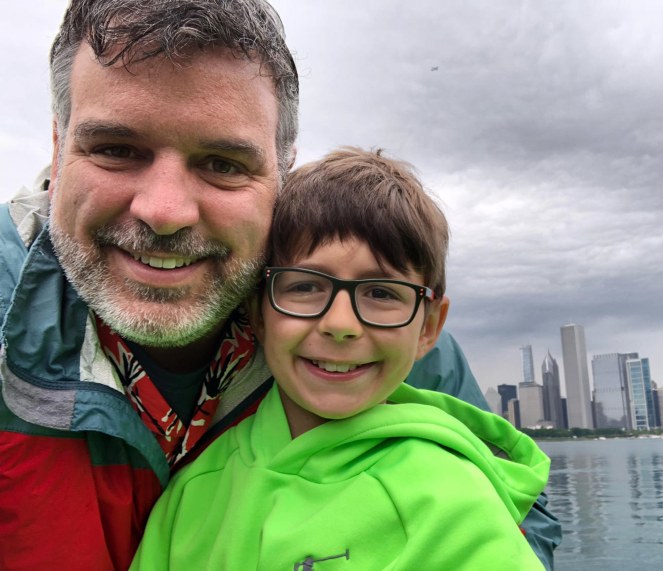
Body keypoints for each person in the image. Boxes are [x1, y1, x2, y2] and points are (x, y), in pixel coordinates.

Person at [0, 1, 559, 569]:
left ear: (282, 171)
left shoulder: (373, 326)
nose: (164, 211)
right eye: (116, 150)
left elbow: (519, 521)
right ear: (57, 147)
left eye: (222, 163)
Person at [132, 147, 549, 570]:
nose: (340, 323)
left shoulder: (453, 502)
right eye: (304, 287)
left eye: (382, 293)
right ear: (257, 311)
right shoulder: (191, 490)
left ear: (427, 327)